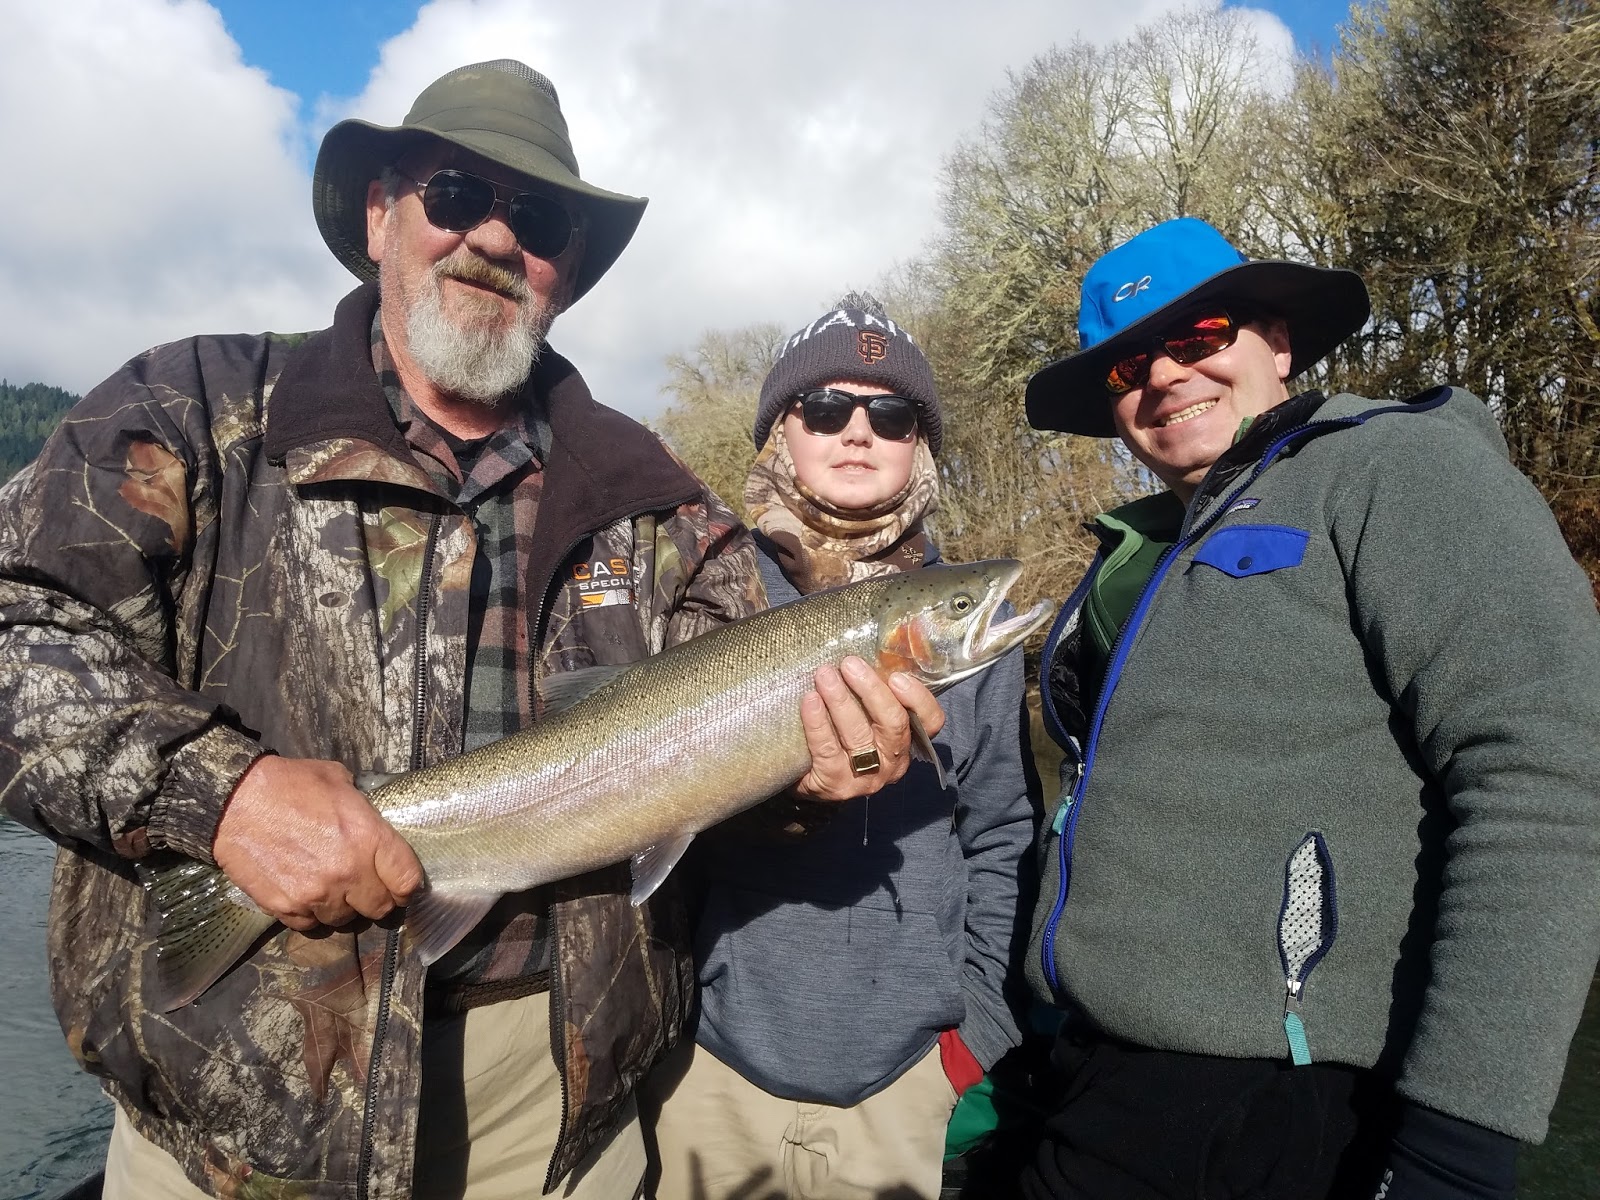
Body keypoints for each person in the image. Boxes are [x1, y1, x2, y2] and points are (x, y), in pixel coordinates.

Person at [0, 61, 944, 1200]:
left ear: (566, 270)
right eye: (454, 195)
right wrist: (220, 795)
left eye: (537, 220)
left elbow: (723, 796)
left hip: (553, 1124)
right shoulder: (194, 411)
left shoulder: (661, 505)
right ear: (378, 214)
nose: (494, 237)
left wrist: (809, 783)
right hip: (225, 1129)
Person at [1016, 216, 1600, 1200]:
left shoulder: (1395, 467)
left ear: (1278, 342)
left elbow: (1543, 779)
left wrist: (1461, 1138)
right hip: (1097, 1081)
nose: (1165, 374)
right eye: (1127, 366)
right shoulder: (1144, 551)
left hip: (1284, 1102)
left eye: (1198, 334)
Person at [642, 295, 1040, 1200]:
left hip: (907, 1080)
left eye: (892, 415)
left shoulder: (959, 625)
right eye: (825, 409)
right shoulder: (705, 590)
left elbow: (1002, 837)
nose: (859, 431)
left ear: (919, 445)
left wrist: (975, 1039)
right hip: (706, 1064)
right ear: (781, 432)